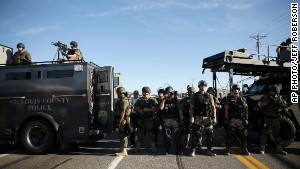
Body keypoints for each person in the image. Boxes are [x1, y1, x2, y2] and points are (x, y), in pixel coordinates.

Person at [189, 80, 217, 156]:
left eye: (204, 86)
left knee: (209, 133)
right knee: (195, 133)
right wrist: (192, 117)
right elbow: (191, 107)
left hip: (207, 117)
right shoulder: (195, 95)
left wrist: (214, 117)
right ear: (199, 86)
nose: (203, 87)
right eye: (201, 85)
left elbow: (213, 107)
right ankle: (193, 150)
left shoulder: (209, 96)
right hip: (198, 117)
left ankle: (209, 150)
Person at [258, 85, 287, 155]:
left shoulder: (280, 98)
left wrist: (284, 108)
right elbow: (260, 104)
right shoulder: (266, 97)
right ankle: (262, 148)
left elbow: (285, 106)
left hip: (276, 118)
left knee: (277, 134)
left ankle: (279, 149)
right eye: (271, 91)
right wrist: (268, 103)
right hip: (267, 117)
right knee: (264, 133)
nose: (272, 92)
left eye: (273, 92)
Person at [224, 84, 250, 155]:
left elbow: (246, 109)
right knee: (230, 134)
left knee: (244, 134)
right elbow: (226, 109)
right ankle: (228, 149)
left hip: (241, 119)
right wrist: (226, 119)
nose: (236, 90)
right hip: (232, 118)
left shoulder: (242, 98)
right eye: (234, 89)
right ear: (232, 90)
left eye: (237, 89)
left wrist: (246, 118)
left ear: (239, 90)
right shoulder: (229, 98)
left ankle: (245, 149)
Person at [159, 86, 183, 155]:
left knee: (177, 136)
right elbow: (161, 108)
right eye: (165, 93)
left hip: (175, 120)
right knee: (166, 136)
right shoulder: (164, 100)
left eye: (167, 93)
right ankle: (167, 149)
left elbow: (180, 110)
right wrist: (163, 100)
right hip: (166, 120)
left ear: (171, 93)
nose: (166, 94)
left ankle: (179, 150)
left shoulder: (176, 100)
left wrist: (181, 119)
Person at [133, 87, 158, 153]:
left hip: (149, 119)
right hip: (141, 119)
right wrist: (139, 110)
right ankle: (138, 147)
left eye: (146, 94)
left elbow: (156, 109)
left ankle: (153, 147)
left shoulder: (153, 100)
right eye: (144, 94)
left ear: (149, 93)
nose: (145, 96)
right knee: (139, 133)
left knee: (151, 133)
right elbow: (134, 107)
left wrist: (148, 109)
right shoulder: (140, 99)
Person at [115, 87, 131, 156]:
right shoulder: (121, 100)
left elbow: (123, 111)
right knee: (121, 134)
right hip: (123, 119)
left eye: (118, 93)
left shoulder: (124, 100)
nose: (117, 94)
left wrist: (120, 120)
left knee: (123, 135)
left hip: (124, 119)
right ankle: (122, 148)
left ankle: (124, 151)